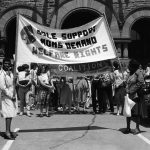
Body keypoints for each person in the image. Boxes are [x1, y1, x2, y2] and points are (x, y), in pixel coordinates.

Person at [124, 59, 145, 134]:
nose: (128, 67)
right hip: (128, 95)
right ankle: (128, 127)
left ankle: (137, 128)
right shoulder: (129, 73)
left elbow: (140, 82)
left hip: (135, 95)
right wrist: (126, 86)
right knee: (128, 112)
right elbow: (127, 82)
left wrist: (132, 90)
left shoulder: (138, 73)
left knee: (136, 113)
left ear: (133, 67)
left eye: (130, 65)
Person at [0, 58, 18, 139]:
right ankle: (7, 132)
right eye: (5, 63)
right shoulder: (1, 74)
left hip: (12, 95)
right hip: (6, 96)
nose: (7, 65)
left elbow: (13, 84)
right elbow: (3, 88)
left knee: (11, 114)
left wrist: (15, 79)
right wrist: (11, 95)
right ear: (2, 64)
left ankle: (8, 130)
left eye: (8, 63)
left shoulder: (10, 73)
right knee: (8, 114)